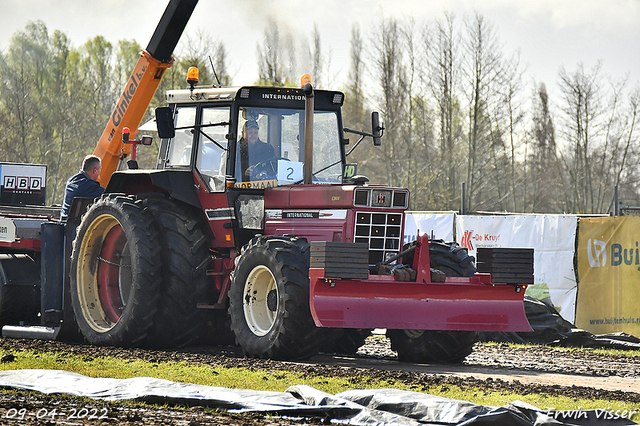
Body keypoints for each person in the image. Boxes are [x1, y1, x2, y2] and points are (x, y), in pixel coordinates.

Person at [60, 155, 105, 220]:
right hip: (75, 226)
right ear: (95, 171)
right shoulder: (89, 186)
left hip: (64, 221)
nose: (100, 172)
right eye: (100, 169)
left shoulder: (71, 180)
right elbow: (106, 195)